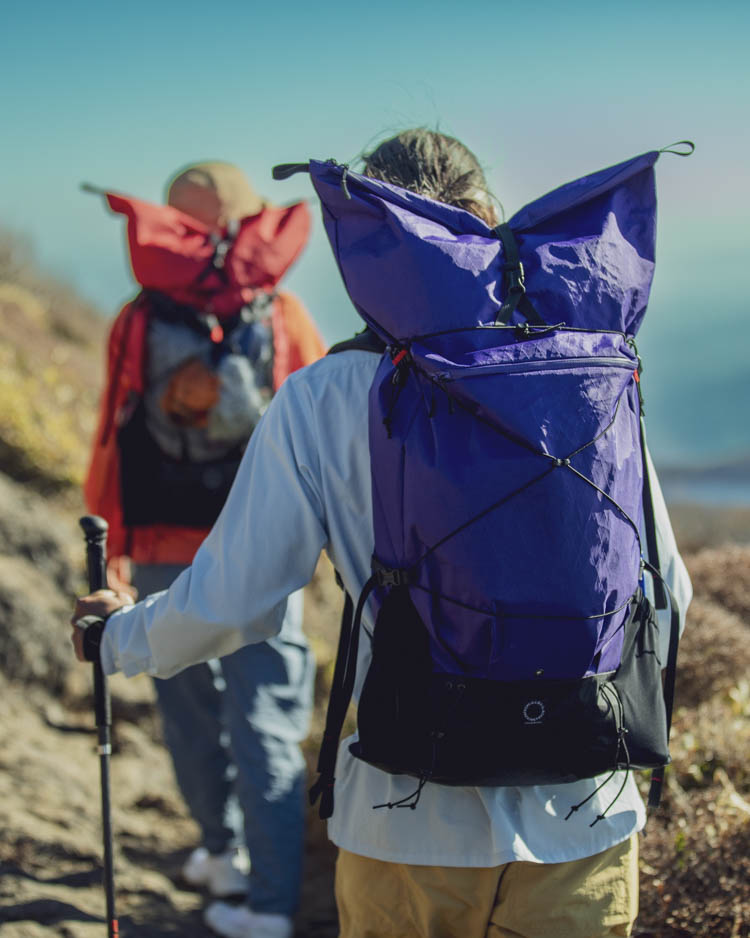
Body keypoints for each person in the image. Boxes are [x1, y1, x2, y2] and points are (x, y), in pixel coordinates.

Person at [73, 131, 692, 938]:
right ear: (494, 222)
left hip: (408, 822)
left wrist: (115, 639)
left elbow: (233, 603)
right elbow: (667, 592)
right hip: (589, 816)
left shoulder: (326, 396)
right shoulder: (594, 377)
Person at [82, 162, 325, 935]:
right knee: (266, 717)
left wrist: (112, 536)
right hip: (264, 546)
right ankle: (271, 901)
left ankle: (220, 853)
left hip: (160, 537)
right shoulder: (282, 313)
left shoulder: (138, 319)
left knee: (185, 706)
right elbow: (317, 434)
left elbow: (113, 432)